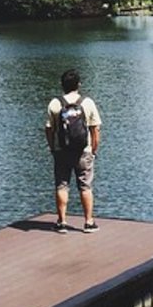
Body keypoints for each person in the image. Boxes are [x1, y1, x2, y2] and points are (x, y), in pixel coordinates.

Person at [45, 68, 102, 233]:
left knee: (62, 185)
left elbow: (49, 129)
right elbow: (95, 129)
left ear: (62, 85)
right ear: (78, 84)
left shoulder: (55, 103)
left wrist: (52, 147)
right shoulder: (87, 102)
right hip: (84, 151)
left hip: (61, 150)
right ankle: (89, 222)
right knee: (85, 186)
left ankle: (62, 222)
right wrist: (93, 149)